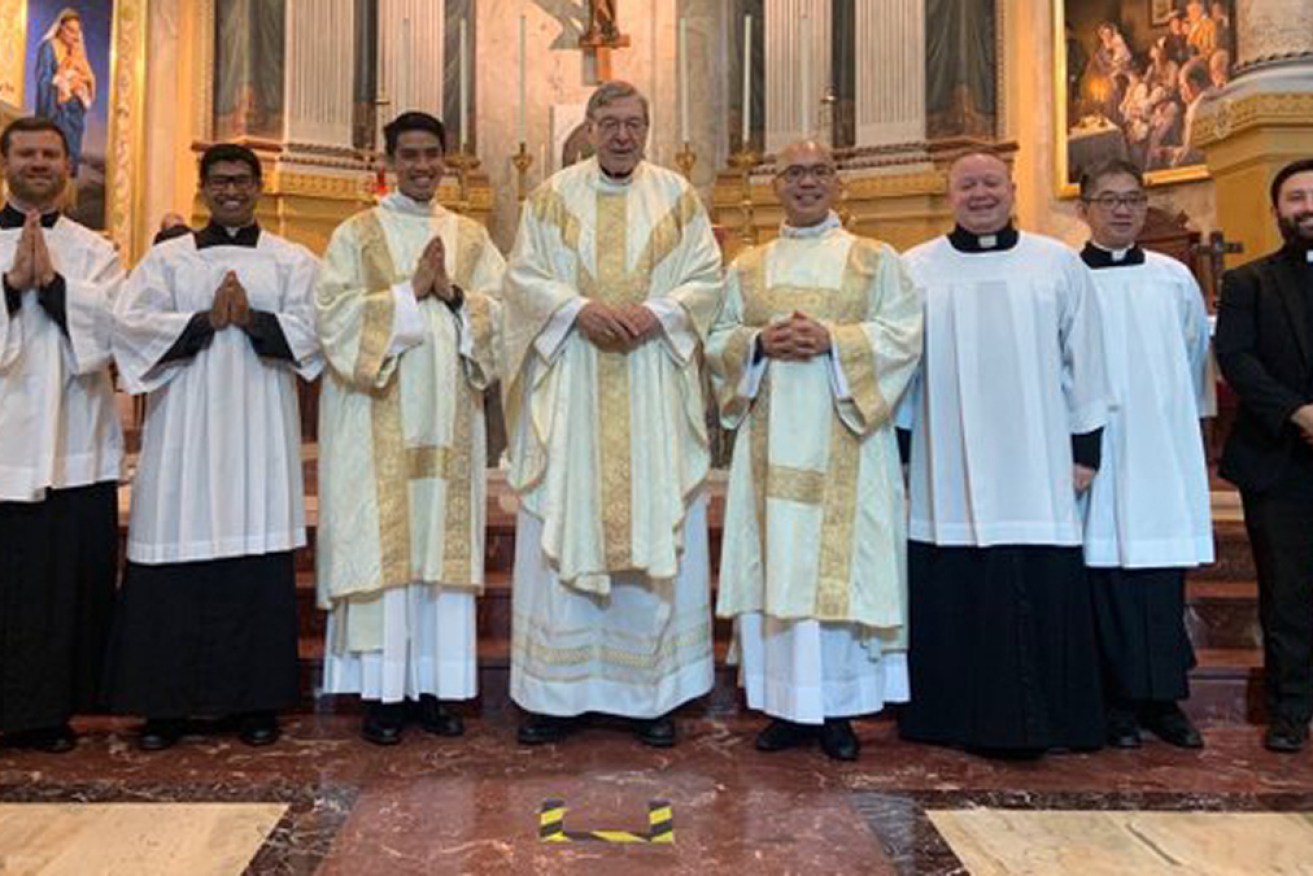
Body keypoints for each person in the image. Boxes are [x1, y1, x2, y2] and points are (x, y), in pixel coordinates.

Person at [503, 81, 722, 747]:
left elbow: (707, 279)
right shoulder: (550, 197)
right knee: (564, 522)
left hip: (650, 378)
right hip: (574, 380)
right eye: (610, 124)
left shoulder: (677, 198)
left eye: (635, 123)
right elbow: (521, 278)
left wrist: (654, 314)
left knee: (652, 523)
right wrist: (577, 309)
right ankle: (554, 695)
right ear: (589, 128)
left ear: (647, 128)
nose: (623, 136)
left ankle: (649, 694)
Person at [707, 141, 922, 761]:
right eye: (794, 173)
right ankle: (783, 705)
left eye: (819, 172)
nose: (807, 183)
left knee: (839, 569)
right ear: (775, 185)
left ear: (838, 183)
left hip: (846, 435)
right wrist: (756, 342)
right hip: (769, 446)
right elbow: (716, 339)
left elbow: (905, 334)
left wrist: (834, 340)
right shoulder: (747, 266)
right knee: (778, 563)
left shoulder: (875, 261)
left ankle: (837, 710)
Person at [105, 143, 321, 751]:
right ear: (203, 187)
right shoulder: (167, 260)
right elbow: (131, 325)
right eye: (220, 180)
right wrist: (202, 321)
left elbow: (315, 329)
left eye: (242, 180)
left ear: (258, 186)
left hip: (258, 431)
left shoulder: (290, 260)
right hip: (184, 435)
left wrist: (253, 320)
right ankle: (164, 707)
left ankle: (254, 705)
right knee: (173, 555)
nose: (231, 190)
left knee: (255, 560)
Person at [896, 151, 1109, 758]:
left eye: (991, 183)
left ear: (1013, 189)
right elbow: (902, 373)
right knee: (955, 582)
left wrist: (1085, 450)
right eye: (967, 185)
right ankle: (949, 718)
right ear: (950, 195)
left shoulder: (1056, 263)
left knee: (1035, 584)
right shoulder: (915, 269)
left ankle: (1052, 721)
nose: (980, 194)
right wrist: (906, 454)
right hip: (947, 467)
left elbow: (1086, 361)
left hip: (1038, 463)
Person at [316, 112, 504, 746]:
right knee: (387, 549)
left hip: (450, 422)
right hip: (377, 419)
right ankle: (382, 696)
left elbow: (504, 318)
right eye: (410, 155)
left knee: (439, 553)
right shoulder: (356, 233)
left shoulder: (472, 237)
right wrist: (406, 293)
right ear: (389, 160)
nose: (422, 166)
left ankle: (436, 689)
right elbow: (333, 318)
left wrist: (451, 294)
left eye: (432, 155)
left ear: (446, 160)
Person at [1076, 159, 1214, 750]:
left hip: (1160, 444)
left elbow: (1191, 357)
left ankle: (1164, 701)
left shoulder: (1172, 277)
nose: (1122, 210)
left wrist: (1175, 426)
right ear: (1085, 208)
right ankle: (1115, 702)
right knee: (1101, 575)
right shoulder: (1065, 277)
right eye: (1108, 200)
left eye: (1132, 198)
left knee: (1159, 576)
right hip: (1096, 449)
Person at [0, 116, 122, 753]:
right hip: (3, 444)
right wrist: (8, 288)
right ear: (7, 162)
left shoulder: (95, 250)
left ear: (67, 165)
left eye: (51, 153)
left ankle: (50, 713)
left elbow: (114, 327)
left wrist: (52, 288)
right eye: (27, 153)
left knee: (58, 586)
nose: (39, 162)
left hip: (73, 442)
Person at [1215, 158, 1313, 753]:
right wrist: (1299, 413)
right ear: (1277, 210)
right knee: (1287, 592)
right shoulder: (1248, 282)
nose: (1307, 207)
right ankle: (1290, 710)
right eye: (1296, 198)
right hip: (1278, 460)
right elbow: (1238, 358)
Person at [34, 9, 96, 176]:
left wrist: (80, 86)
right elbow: (43, 81)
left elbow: (89, 79)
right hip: (55, 112)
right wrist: (61, 85)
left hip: (73, 113)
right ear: (61, 28)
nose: (74, 36)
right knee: (55, 156)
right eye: (70, 30)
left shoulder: (75, 52)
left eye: (77, 32)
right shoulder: (48, 47)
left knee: (70, 156)